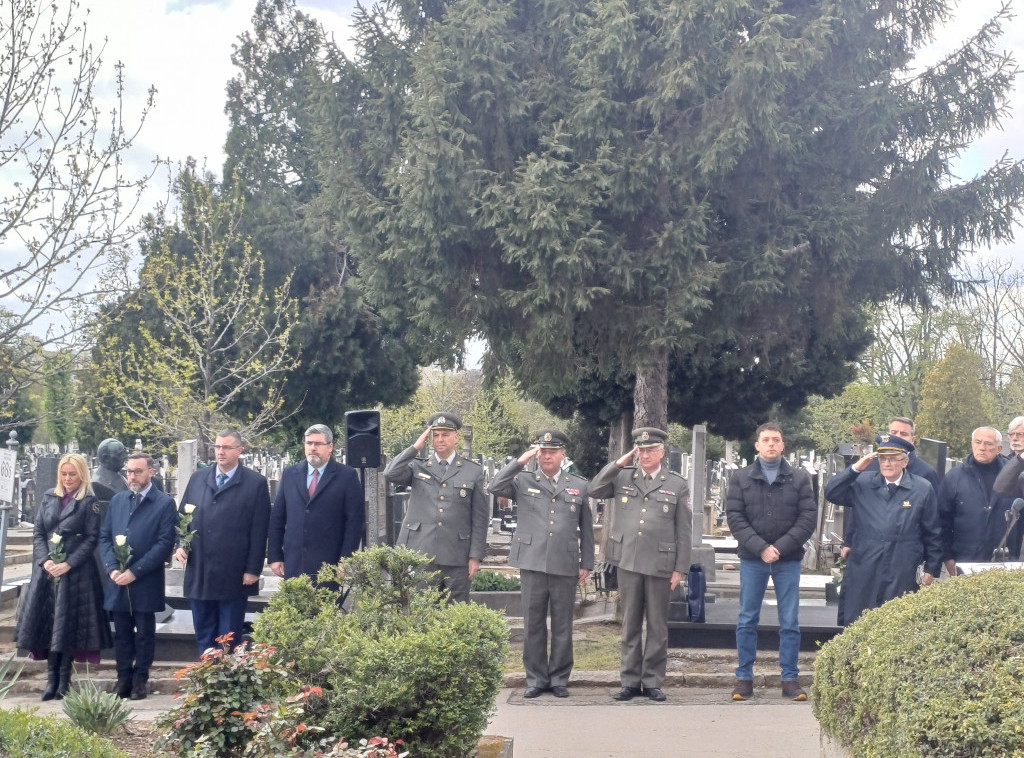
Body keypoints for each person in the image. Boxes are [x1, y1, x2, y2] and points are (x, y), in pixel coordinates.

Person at [488, 430, 595, 699]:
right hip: (532, 561)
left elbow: (586, 526)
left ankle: (559, 678)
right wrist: (520, 461)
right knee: (533, 624)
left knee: (562, 625)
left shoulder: (578, 485)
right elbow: (495, 486)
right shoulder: (523, 480)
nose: (547, 456)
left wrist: (587, 562)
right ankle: (535, 678)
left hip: (564, 563)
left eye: (552, 452)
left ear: (562, 455)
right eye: (543, 451)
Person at [589, 427, 691, 703]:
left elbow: (684, 530)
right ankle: (630, 681)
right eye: (641, 450)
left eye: (650, 450)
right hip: (628, 560)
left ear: (662, 452)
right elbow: (594, 489)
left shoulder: (676, 484)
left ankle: (653, 681)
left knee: (657, 626)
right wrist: (618, 463)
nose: (645, 455)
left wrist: (680, 568)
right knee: (630, 624)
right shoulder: (623, 476)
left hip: (660, 563)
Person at [725, 422, 816, 702]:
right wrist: (761, 548)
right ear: (757, 445)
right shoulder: (741, 478)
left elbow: (807, 518)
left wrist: (780, 547)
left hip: (788, 559)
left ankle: (789, 679)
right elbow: (735, 517)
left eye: (776, 439)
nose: (771, 444)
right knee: (747, 619)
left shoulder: (799, 478)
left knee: (789, 621)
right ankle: (744, 678)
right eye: (766, 440)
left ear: (783, 445)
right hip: (753, 558)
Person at [15, 453, 112, 700]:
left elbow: (92, 538)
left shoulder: (89, 502)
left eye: (73, 474)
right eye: (64, 474)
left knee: (67, 624)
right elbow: (38, 533)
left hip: (75, 573)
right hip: (47, 571)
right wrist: (45, 560)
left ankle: (63, 680)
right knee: (49, 623)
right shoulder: (49, 496)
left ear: (82, 474)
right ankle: (51, 679)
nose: (68, 479)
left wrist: (68, 563)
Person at [824, 435, 942, 626]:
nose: (887, 463)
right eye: (883, 458)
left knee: (899, 622)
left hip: (902, 564)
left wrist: (931, 568)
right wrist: (855, 469)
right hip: (866, 562)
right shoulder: (863, 483)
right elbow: (832, 492)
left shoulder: (922, 488)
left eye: (893, 459)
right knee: (859, 620)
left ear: (905, 462)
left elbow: (933, 531)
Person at [174, 430, 271, 655]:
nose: (220, 452)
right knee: (204, 633)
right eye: (217, 447)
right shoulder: (198, 478)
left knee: (228, 637)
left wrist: (253, 569)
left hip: (233, 573)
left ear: (239, 450)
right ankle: (207, 672)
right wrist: (180, 544)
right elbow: (183, 518)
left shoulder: (255, 483)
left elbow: (259, 530)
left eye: (227, 447)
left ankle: (225, 675)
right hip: (200, 570)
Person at [383, 413, 489, 603]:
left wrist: (475, 556)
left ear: (456, 437)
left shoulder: (473, 471)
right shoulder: (418, 466)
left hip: (457, 555)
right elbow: (390, 473)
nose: (440, 439)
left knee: (456, 614)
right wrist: (415, 447)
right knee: (421, 611)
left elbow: (480, 518)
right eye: (436, 435)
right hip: (422, 552)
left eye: (445, 435)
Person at [99, 452, 177, 700]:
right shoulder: (119, 500)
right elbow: (105, 537)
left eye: (138, 471)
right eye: (129, 471)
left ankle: (140, 679)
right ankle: (123, 678)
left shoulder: (164, 503)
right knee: (122, 633)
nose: (132, 476)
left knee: (144, 634)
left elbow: (164, 544)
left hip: (145, 580)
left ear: (151, 472)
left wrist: (135, 572)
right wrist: (112, 567)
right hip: (118, 579)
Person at [268, 424, 364, 580]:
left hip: (329, 564)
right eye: (309, 443)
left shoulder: (347, 476)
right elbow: (277, 518)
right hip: (294, 563)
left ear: (330, 447)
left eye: (318, 443)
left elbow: (354, 522)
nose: (312, 448)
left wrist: (346, 560)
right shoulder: (290, 474)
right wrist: (275, 556)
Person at [937, 428, 1020, 573]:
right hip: (966, 560)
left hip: (1006, 560)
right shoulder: (954, 478)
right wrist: (948, 558)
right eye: (978, 442)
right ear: (972, 444)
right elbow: (942, 521)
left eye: (988, 444)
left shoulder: (1014, 476)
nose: (982, 447)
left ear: (999, 449)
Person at [91, 438, 129, 502]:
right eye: (120, 454)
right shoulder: (97, 483)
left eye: (124, 453)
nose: (124, 457)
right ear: (105, 458)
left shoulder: (121, 476)